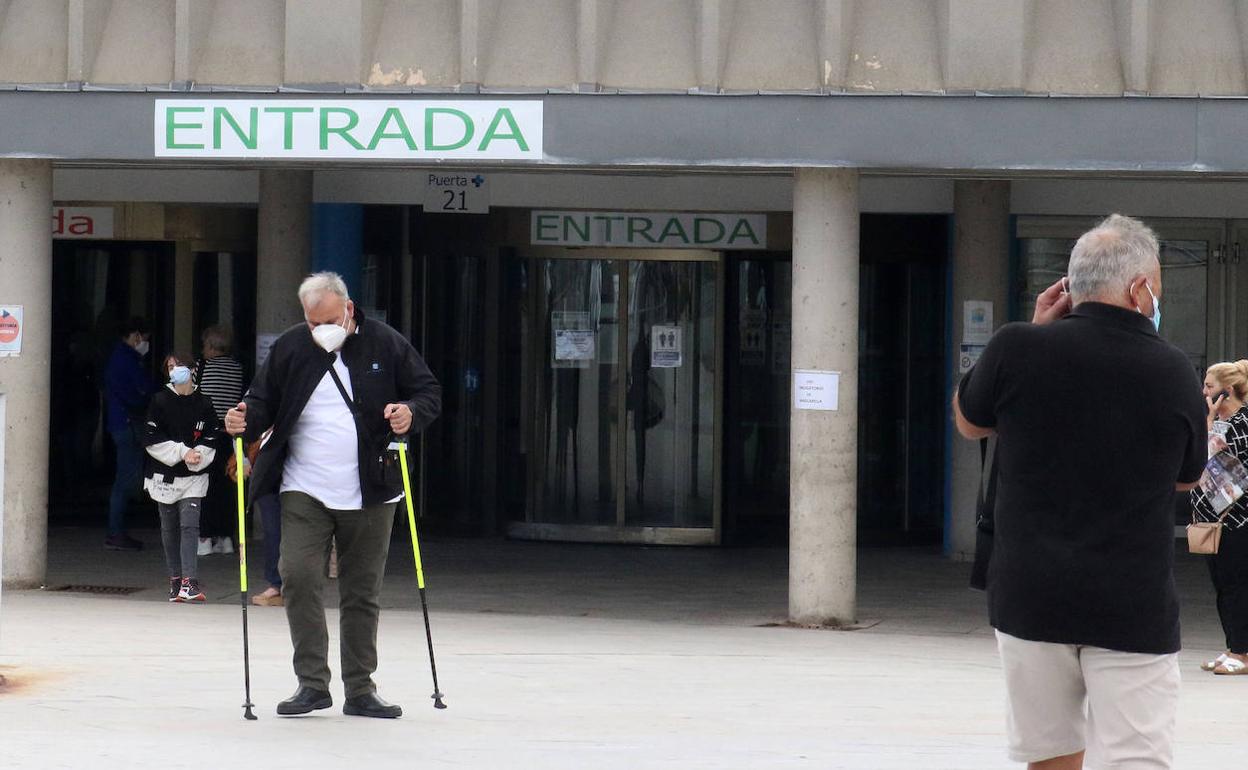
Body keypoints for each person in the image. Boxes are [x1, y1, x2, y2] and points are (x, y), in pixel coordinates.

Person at [954, 214, 1206, 770]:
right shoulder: (1173, 371)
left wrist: (1040, 331)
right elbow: (1188, 477)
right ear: (1140, 288)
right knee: (1135, 758)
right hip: (1129, 600)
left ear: (1069, 286)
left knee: (1048, 755)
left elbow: (969, 421)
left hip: (1029, 593)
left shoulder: (1016, 346)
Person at [225, 272, 441, 719]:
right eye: (311, 321)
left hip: (372, 489)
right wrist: (243, 416)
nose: (320, 328)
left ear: (348, 308)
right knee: (298, 577)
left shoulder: (385, 342)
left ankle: (360, 689)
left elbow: (428, 392)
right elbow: (262, 398)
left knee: (362, 591)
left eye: (328, 319)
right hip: (304, 486)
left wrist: (409, 414)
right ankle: (311, 683)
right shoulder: (291, 345)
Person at [143, 353, 220, 602]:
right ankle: (175, 579)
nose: (175, 370)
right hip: (164, 476)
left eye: (180, 366)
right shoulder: (159, 401)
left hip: (194, 476)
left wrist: (198, 455)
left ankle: (190, 582)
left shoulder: (205, 403)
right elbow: (151, 438)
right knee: (169, 528)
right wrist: (182, 451)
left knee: (190, 525)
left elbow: (212, 435)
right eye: (171, 366)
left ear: (192, 370)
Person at [1191, 361, 1248, 676]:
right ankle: (1233, 647)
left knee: (1237, 586)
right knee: (1224, 586)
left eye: (1210, 386)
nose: (1204, 392)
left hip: (1239, 520)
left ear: (1227, 390)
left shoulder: (1242, 422)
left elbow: (1211, 453)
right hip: (1216, 521)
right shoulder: (1220, 422)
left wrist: (1210, 420)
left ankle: (1242, 653)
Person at [103, 317, 154, 551]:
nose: (145, 343)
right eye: (144, 338)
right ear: (136, 336)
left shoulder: (119, 357)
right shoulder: (127, 360)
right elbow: (140, 391)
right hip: (127, 424)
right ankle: (116, 532)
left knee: (125, 479)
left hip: (121, 422)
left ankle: (117, 531)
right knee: (125, 480)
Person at [195, 325, 245, 557]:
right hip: (229, 435)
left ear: (213, 347)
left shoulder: (202, 367)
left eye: (205, 345)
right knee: (226, 488)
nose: (203, 350)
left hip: (207, 434)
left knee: (203, 487)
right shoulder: (237, 368)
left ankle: (204, 537)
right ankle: (225, 538)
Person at [227, 434, 284, 607]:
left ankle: (291, 584)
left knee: (297, 532)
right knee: (272, 529)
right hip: (267, 473)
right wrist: (242, 459)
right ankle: (276, 583)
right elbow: (239, 431)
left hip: (297, 471)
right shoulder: (258, 408)